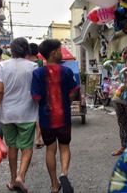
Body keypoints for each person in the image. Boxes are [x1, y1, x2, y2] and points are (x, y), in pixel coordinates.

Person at [0, 37, 38, 193]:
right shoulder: (34, 66)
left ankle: (12, 179)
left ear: (12, 50)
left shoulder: (3, 66)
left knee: (12, 147)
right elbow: (37, 92)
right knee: (27, 147)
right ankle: (20, 177)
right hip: (27, 114)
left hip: (7, 114)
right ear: (27, 51)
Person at [31, 39, 78, 193]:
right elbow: (73, 92)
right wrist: (65, 102)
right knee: (65, 147)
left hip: (46, 119)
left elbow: (36, 97)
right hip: (64, 117)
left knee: (50, 150)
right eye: (59, 49)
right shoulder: (66, 71)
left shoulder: (37, 73)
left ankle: (54, 185)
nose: (61, 52)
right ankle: (64, 174)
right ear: (53, 53)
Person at [27, 42, 44, 149]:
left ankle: (35, 138)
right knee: (39, 116)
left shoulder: (25, 63)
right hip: (38, 92)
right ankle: (38, 138)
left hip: (26, 93)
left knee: (30, 116)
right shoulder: (40, 63)